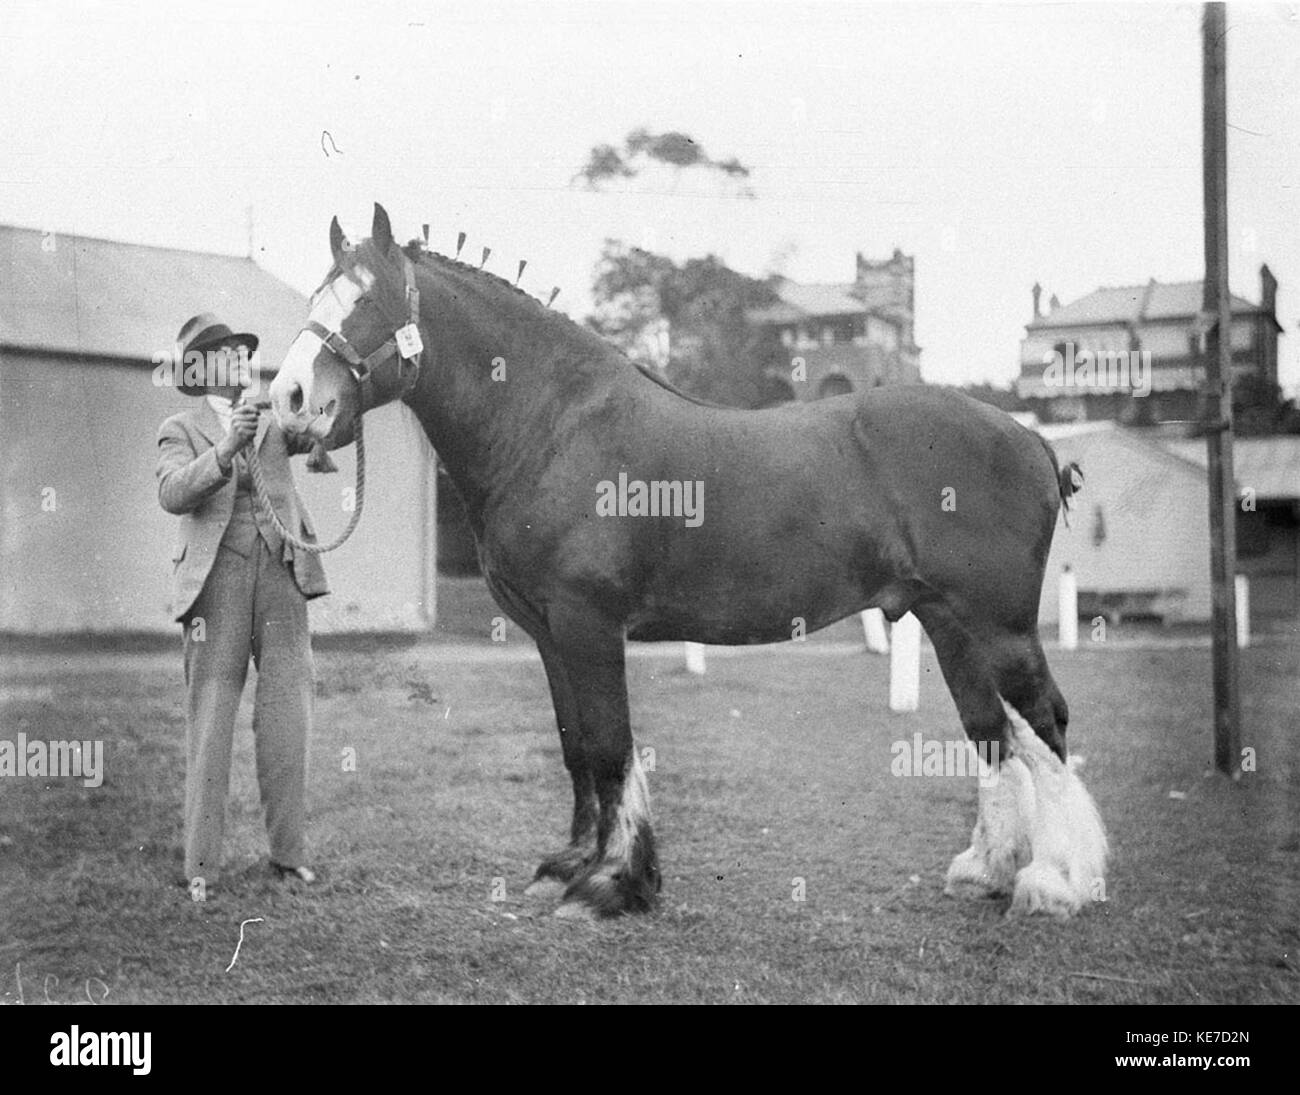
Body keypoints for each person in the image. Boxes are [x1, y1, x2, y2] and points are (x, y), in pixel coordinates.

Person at [156, 313, 329, 892]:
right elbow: (172, 493)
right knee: (211, 721)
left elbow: (322, 427)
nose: (240, 360)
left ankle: (289, 855)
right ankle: (201, 867)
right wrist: (227, 447)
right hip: (216, 585)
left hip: (282, 576)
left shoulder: (273, 419)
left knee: (288, 717)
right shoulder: (179, 427)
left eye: (241, 351)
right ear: (199, 369)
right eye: (224, 353)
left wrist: (334, 403)